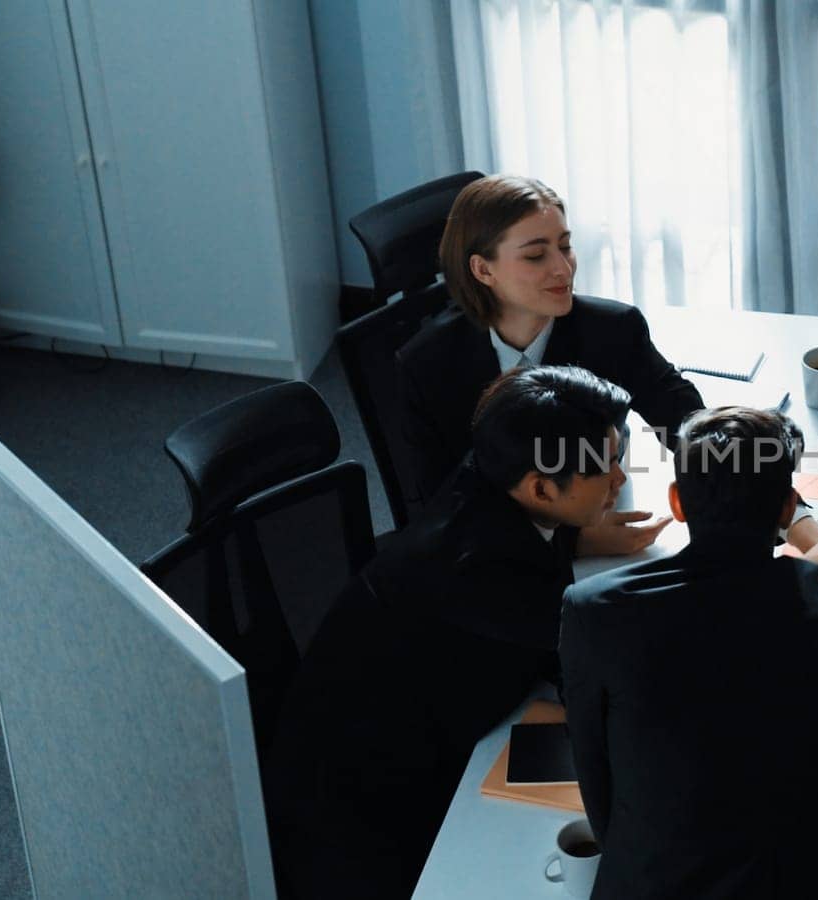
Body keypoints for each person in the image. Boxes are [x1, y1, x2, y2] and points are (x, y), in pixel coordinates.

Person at [405, 173, 818, 596]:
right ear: (482, 269)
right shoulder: (427, 362)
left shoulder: (613, 329)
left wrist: (807, 533)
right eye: (536, 255)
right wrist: (572, 540)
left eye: (566, 246)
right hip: (498, 566)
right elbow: (439, 506)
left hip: (604, 505)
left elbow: (700, 434)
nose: (564, 269)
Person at [266, 366, 631, 900]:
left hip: (427, 713)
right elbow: (599, 654)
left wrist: (579, 536)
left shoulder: (493, 475)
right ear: (542, 488)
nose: (621, 480)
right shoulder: (480, 569)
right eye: (610, 467)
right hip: (369, 805)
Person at [559, 406, 818, 900]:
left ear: (677, 503)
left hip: (651, 878)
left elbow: (594, 769)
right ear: (786, 509)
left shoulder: (595, 610)